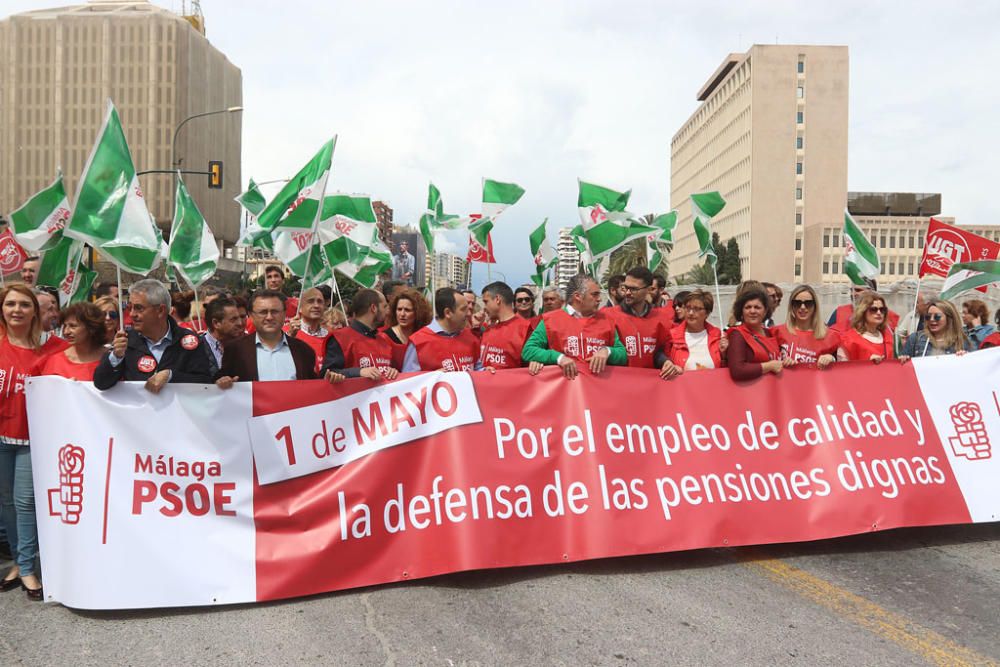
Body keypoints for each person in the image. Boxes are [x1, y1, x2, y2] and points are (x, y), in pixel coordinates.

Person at [0, 285, 67, 601]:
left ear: (35, 311)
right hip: (0, 437)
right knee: (7, 504)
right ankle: (17, 561)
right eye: (10, 303)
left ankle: (27, 567)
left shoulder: (54, 349)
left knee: (26, 502)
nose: (16, 310)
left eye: (23, 304)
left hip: (32, 439)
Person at [93, 279, 214, 392]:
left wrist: (171, 376)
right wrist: (116, 357)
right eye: (130, 308)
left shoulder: (190, 341)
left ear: (160, 310)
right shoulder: (125, 341)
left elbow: (205, 383)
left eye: (139, 308)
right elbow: (101, 383)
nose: (132, 314)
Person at [523, 273, 627, 379]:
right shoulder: (550, 320)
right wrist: (558, 358)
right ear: (578, 296)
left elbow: (623, 355)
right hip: (565, 390)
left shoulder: (606, 320)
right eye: (594, 294)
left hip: (598, 390)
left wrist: (608, 351)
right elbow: (528, 351)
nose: (599, 299)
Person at [217, 290, 324, 385]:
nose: (269, 317)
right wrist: (221, 382)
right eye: (263, 312)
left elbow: (312, 388)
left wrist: (328, 383)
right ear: (251, 315)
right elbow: (219, 382)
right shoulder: (235, 350)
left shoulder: (304, 351)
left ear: (284, 314)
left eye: (275, 312)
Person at [322, 289, 399, 380]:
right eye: (385, 306)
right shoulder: (340, 338)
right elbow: (327, 374)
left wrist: (393, 371)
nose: (388, 312)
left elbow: (392, 369)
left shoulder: (385, 339)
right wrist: (358, 372)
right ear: (373, 308)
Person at [402, 288, 483, 372]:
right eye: (463, 309)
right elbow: (408, 380)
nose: (469, 313)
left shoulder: (471, 339)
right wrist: (433, 377)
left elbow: (478, 369)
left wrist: (486, 372)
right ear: (448, 313)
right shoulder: (418, 342)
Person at [605, 267, 670, 370]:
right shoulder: (608, 316)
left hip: (649, 383)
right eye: (625, 288)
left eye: (634, 289)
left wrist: (665, 361)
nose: (627, 293)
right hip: (617, 383)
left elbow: (659, 351)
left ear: (648, 290)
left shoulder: (661, 318)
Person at [726, 286, 788, 381]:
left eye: (757, 307)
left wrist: (787, 361)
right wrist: (768, 366)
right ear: (741, 312)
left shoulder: (770, 333)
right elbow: (737, 370)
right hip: (749, 392)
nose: (752, 311)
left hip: (772, 390)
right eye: (748, 307)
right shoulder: (737, 335)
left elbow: (779, 361)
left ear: (765, 311)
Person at [771, 285, 839, 369]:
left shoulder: (831, 336)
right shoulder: (777, 332)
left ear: (815, 306)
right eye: (797, 303)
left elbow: (845, 367)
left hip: (815, 382)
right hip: (786, 381)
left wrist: (832, 358)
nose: (802, 307)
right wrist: (782, 362)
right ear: (791, 306)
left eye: (808, 303)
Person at [662, 289, 727, 375]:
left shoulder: (717, 335)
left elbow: (725, 370)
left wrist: (724, 354)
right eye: (688, 308)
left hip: (712, 386)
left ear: (707, 313)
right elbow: (663, 364)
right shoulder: (672, 336)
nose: (691, 313)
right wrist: (671, 366)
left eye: (697, 309)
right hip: (682, 386)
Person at [37, 302, 108, 380]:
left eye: (73, 326)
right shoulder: (56, 361)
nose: (66, 332)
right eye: (64, 326)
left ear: (91, 327)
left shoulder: (111, 359)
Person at [478, 281, 533, 370]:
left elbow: (531, 368)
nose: (484, 307)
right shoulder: (488, 330)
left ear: (497, 299)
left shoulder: (525, 329)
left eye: (486, 302)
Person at [899, 299, 974, 361]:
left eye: (937, 316)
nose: (931, 319)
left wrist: (965, 358)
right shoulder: (915, 339)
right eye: (928, 316)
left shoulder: (962, 341)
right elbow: (903, 370)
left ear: (949, 318)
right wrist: (903, 360)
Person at [836, 291, 895, 364]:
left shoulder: (889, 337)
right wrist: (866, 364)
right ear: (863, 311)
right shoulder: (848, 339)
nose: (879, 313)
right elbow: (842, 370)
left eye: (882, 310)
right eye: (873, 309)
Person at [383, 288, 432, 367]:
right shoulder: (385, 337)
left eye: (407, 310)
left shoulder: (424, 337)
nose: (402, 314)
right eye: (399, 309)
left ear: (418, 312)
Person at [828, 280, 899, 334]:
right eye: (851, 290)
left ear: (872, 291)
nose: (853, 294)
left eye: (858, 290)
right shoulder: (839, 312)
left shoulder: (888, 316)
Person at [286, 287, 330, 373]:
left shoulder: (332, 336)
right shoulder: (285, 333)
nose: (316, 305)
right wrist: (290, 337)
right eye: (311, 301)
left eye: (320, 302)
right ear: (300, 307)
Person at [199, 297, 243, 378]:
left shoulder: (246, 345)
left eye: (241, 317)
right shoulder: (196, 349)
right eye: (233, 319)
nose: (240, 323)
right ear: (216, 323)